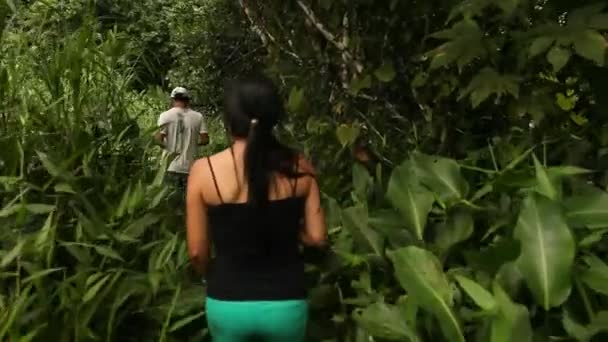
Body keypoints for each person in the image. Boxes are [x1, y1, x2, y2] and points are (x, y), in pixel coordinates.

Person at [185, 75, 326, 341]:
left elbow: (196, 253)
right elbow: (317, 238)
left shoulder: (204, 172)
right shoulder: (300, 167)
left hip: (227, 301)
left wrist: (212, 276)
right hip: (286, 302)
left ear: (228, 120)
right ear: (274, 118)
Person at [156, 87, 209, 193]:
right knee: (187, 201)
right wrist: (194, 143)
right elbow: (205, 140)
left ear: (172, 99)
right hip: (190, 167)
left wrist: (168, 145)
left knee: (170, 200)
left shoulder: (165, 116)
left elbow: (158, 140)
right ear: (187, 99)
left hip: (169, 166)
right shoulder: (198, 117)